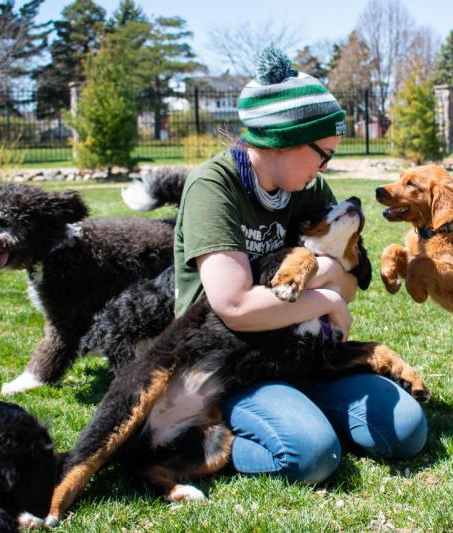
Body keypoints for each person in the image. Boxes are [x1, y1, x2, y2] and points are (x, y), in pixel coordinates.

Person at [173, 48, 427, 484]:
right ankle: (220, 437)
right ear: (284, 139)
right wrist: (327, 299)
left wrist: (328, 286)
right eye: (323, 153)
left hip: (301, 351)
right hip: (232, 361)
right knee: (311, 457)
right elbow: (234, 306)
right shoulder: (214, 186)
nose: (325, 166)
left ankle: (303, 415)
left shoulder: (305, 186)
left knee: (406, 430)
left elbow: (349, 280)